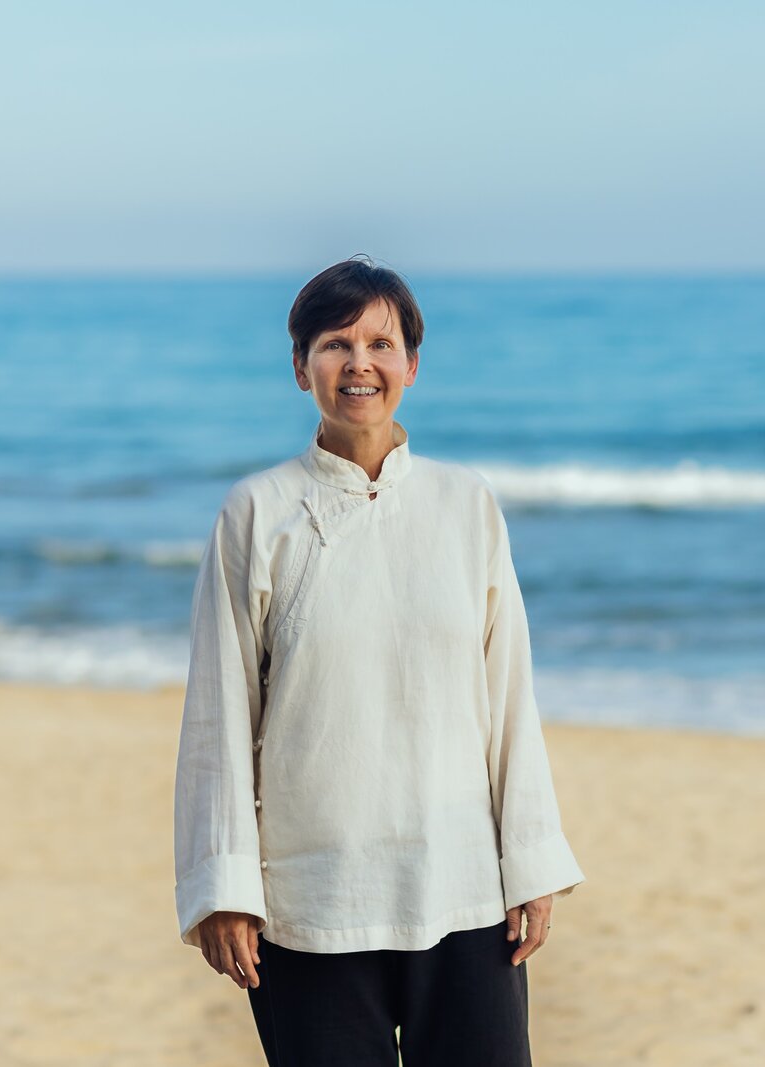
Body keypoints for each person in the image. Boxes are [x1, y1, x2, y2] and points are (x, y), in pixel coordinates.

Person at [173, 255, 585, 1066]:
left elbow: (508, 699)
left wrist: (530, 858)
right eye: (334, 343)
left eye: (380, 342)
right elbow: (219, 712)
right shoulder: (258, 512)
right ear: (301, 368)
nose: (358, 362)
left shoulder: (466, 505)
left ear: (412, 365)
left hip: (464, 891)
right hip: (311, 903)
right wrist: (223, 888)